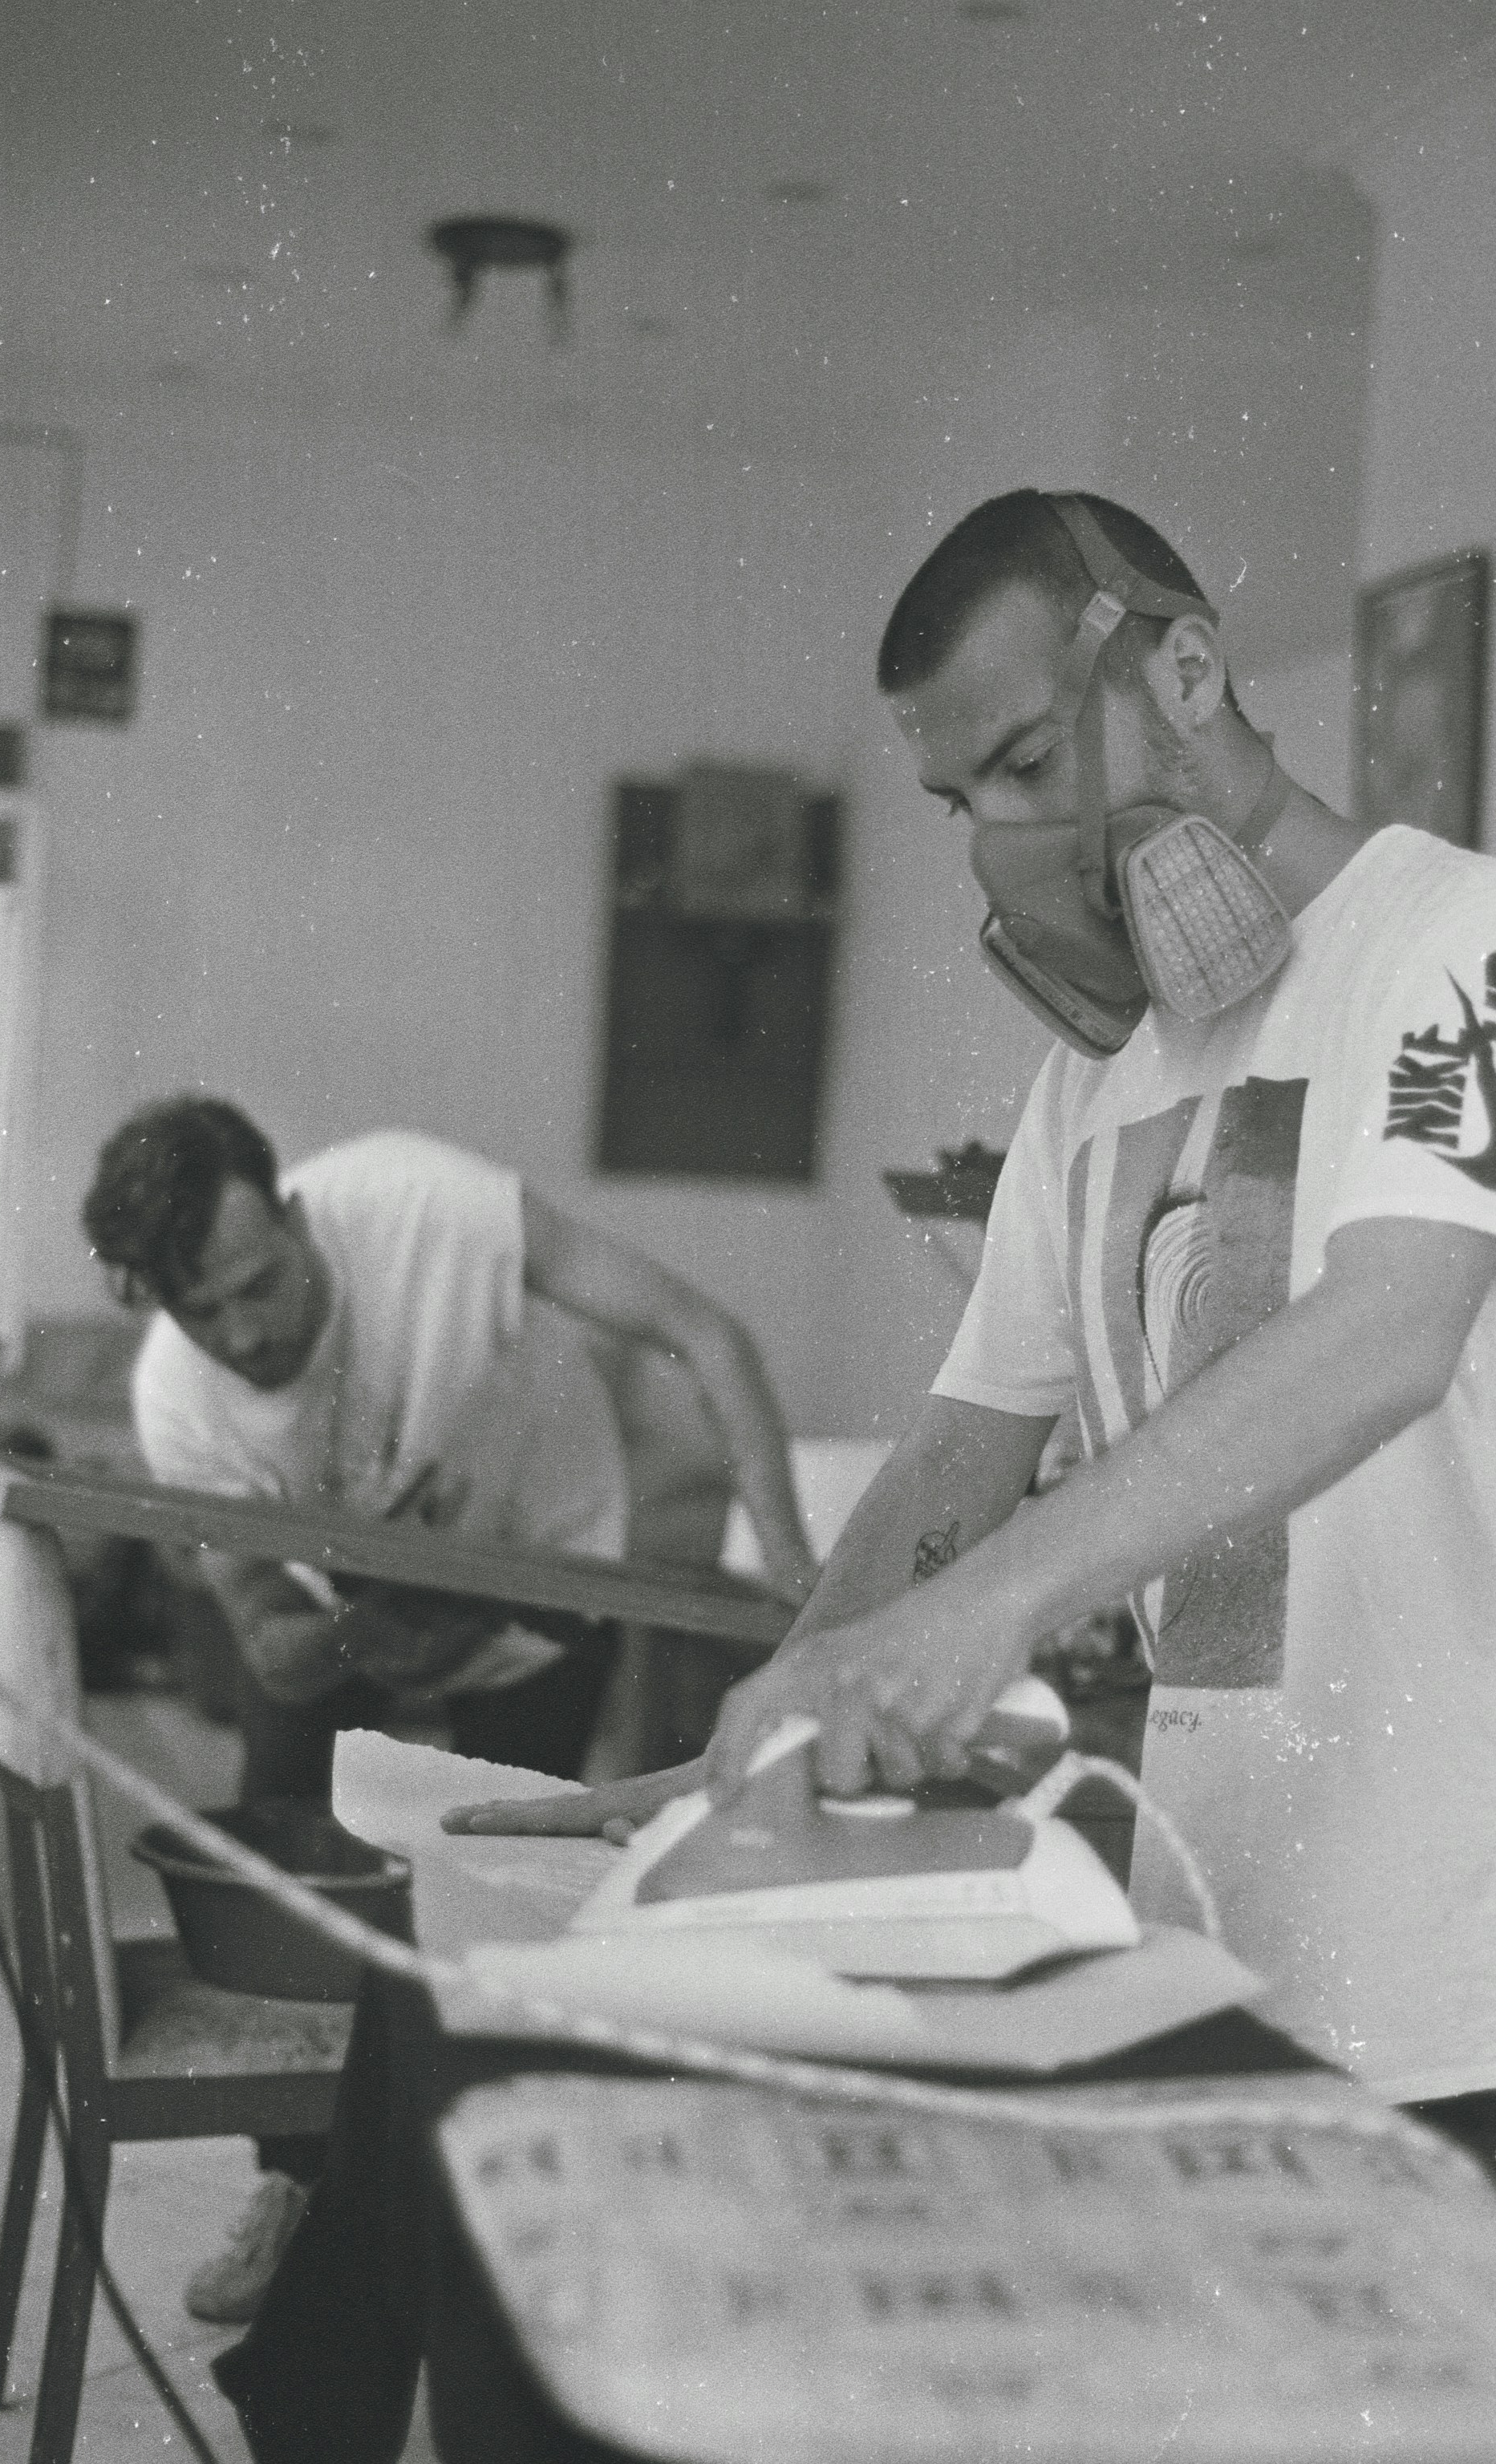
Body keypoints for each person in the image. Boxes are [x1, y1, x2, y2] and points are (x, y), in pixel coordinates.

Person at [453, 488, 1496, 2154]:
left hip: (1461, 1986)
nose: (1005, 839)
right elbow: (967, 1443)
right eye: (963, 801)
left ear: (1187, 674)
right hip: (1219, 1953)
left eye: (1026, 764)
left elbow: (1392, 1329)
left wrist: (983, 1614)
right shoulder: (1095, 1081)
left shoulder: (1453, 941)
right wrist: (762, 1732)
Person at [82, 1095, 816, 2314]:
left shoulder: (419, 1204)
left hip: (549, 1565)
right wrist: (382, 1629)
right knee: (286, 1880)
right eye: (203, 1311)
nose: (245, 1333)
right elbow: (273, 1647)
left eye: (261, 1285)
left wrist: (791, 1567)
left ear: (300, 1219)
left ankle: (490, 2223)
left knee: (507, 1903)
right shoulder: (177, 1400)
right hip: (353, 1611)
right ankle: (293, 2191)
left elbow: (703, 1329)